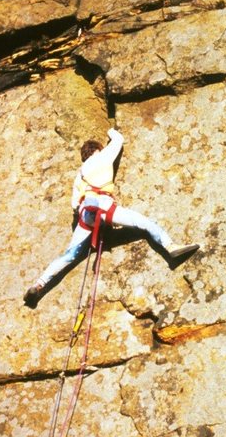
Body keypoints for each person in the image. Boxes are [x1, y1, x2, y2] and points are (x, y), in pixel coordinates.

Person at [24, 128, 199, 306]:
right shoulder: (103, 156)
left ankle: (39, 284)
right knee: (143, 223)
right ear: (97, 150)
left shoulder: (80, 175)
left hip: (86, 214)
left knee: (70, 255)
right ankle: (170, 246)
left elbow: (75, 205)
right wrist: (110, 129)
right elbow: (118, 139)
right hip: (105, 207)